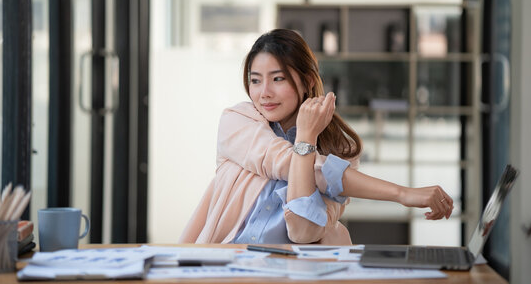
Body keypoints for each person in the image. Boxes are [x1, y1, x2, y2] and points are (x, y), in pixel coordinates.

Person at [179, 29, 454, 245]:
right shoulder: (238, 121)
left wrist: (307, 137)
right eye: (255, 80)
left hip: (290, 274)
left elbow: (303, 231)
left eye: (278, 79)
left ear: (308, 80)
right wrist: (401, 193)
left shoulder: (341, 148)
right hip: (224, 262)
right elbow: (290, 162)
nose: (264, 92)